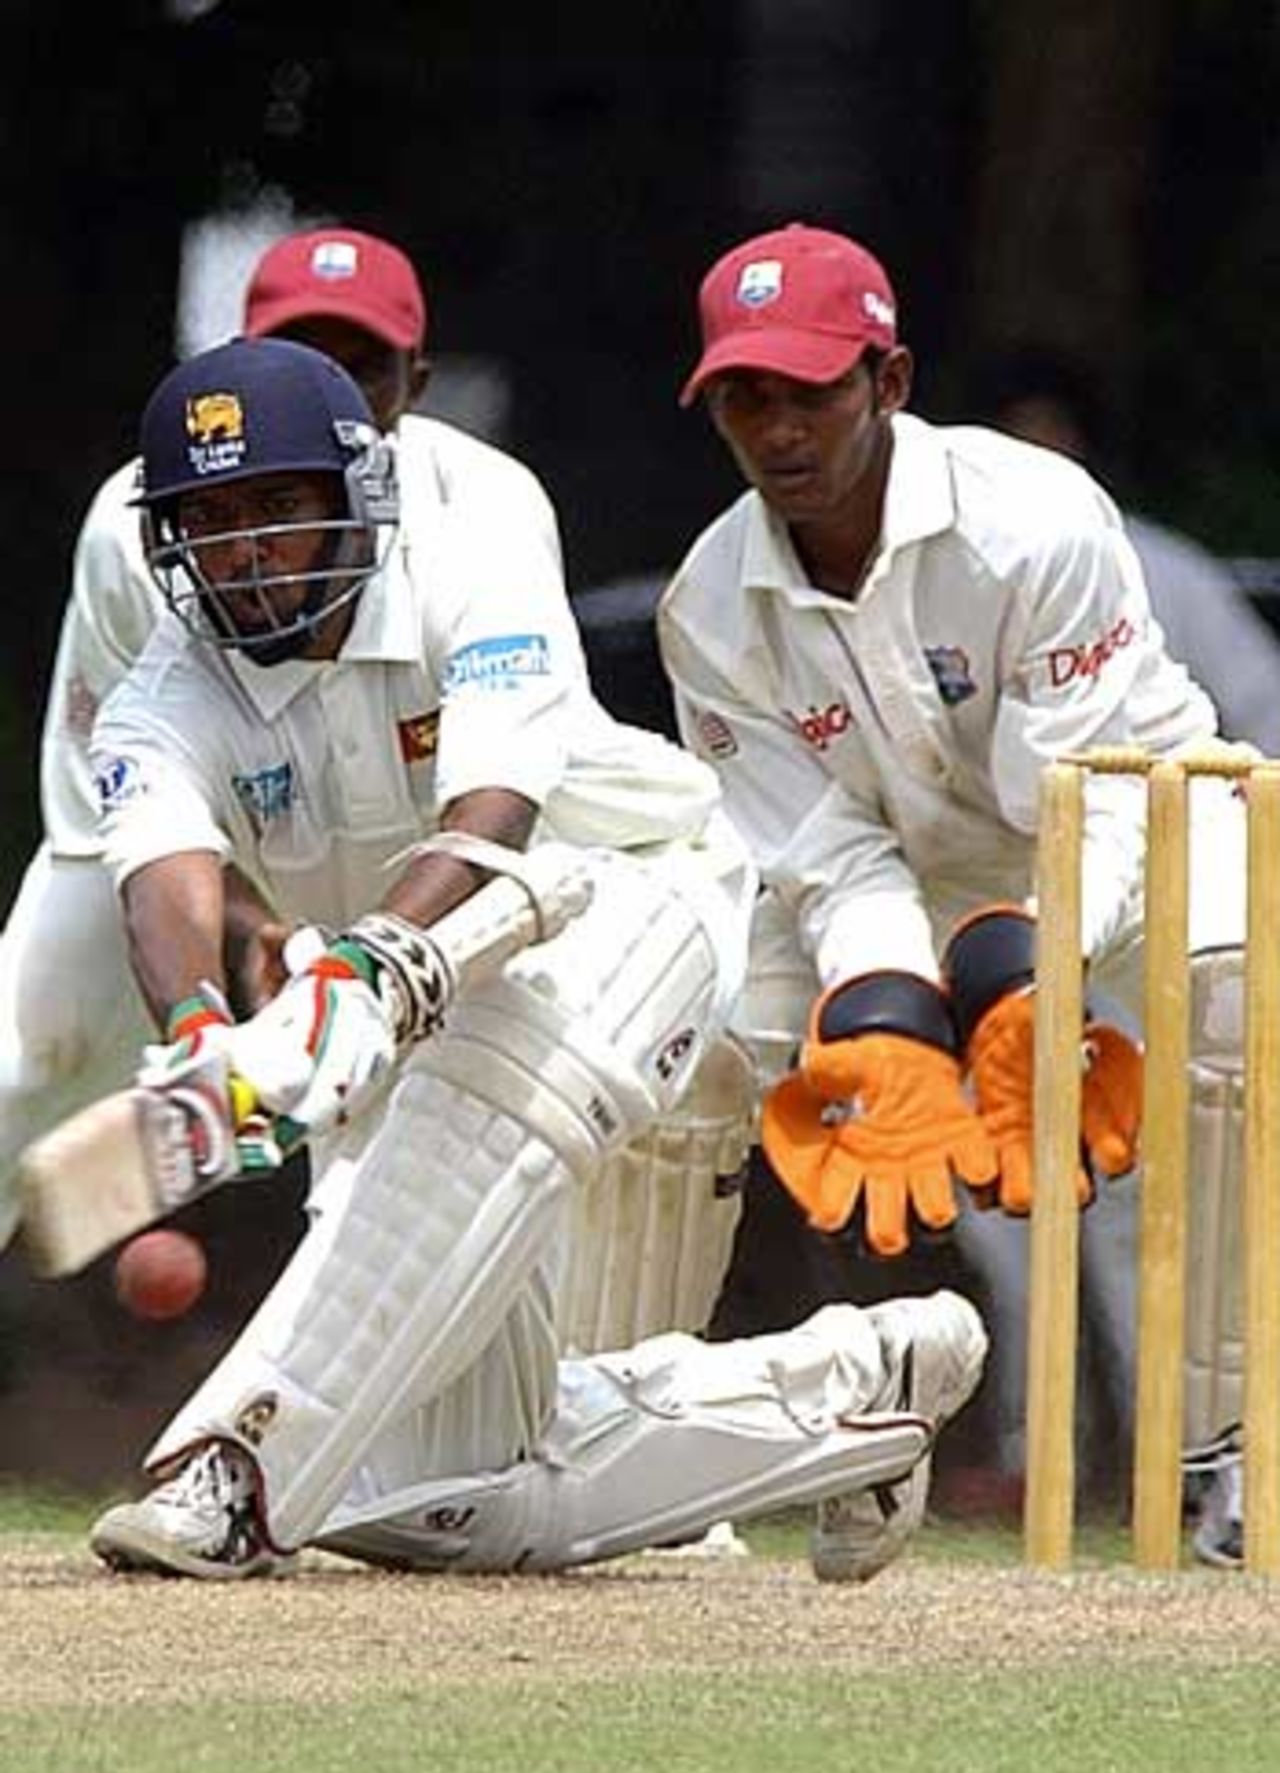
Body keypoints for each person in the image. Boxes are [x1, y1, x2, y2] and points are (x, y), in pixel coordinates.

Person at [81, 333, 988, 1582]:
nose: (243, 550)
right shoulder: (159, 694)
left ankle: (234, 1468)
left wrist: (359, 970)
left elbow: (492, 817)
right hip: (392, 1011)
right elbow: (164, 881)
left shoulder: (474, 560)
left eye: (275, 508)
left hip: (617, 901)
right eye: (211, 518)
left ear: (355, 495)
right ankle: (849, 1394)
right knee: (449, 1497)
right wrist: (201, 1034)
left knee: (476, 1092)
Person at [657, 221, 1254, 1566]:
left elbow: (1088, 791)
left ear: (890, 379)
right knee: (678, 1041)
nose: (777, 428)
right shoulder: (709, 605)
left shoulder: (1029, 518)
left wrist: (1016, 967)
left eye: (810, 388)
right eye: (745, 395)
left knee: (1228, 1019)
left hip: (1151, 818)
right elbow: (822, 852)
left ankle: (1234, 1453)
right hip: (921, 881)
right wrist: (879, 1003)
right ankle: (626, 1440)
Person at [0, 226, 453, 1250]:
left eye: (359, 366)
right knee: (17, 1067)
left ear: (411, 382)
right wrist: (241, 958)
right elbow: (142, 798)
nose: (323, 387)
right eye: (298, 354)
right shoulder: (134, 527)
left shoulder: (472, 512)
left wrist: (346, 952)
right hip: (142, 846)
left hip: (387, 841)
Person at [972, 345, 1280, 756]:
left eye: (1049, 435)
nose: (1035, 458)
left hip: (1157, 808)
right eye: (1017, 440)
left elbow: (1266, 710)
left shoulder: (1168, 572)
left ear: (1079, 445)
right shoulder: (952, 572)